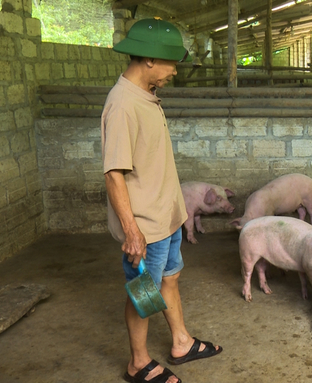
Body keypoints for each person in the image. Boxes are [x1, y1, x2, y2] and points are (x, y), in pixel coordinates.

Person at [101, 18, 222, 383]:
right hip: (144, 226)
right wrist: (131, 231)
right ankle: (137, 362)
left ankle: (181, 341)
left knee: (170, 277)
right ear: (150, 59)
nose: (175, 71)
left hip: (165, 216)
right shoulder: (123, 104)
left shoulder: (145, 95)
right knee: (143, 293)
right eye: (172, 63)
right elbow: (113, 173)